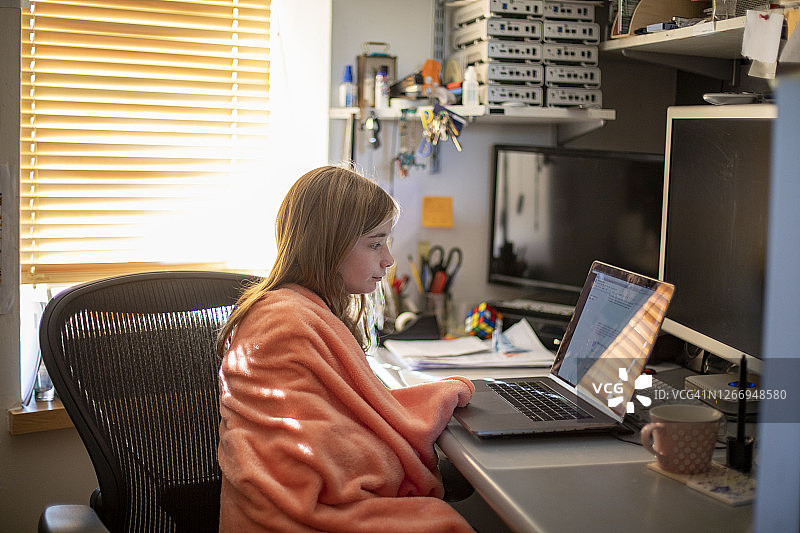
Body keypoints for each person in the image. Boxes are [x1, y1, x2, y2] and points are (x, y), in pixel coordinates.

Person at [216, 166, 476, 532]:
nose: (388, 259)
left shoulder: (304, 311)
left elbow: (341, 417)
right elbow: (314, 454)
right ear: (328, 246)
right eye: (375, 244)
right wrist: (433, 406)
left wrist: (438, 396)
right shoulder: (283, 323)